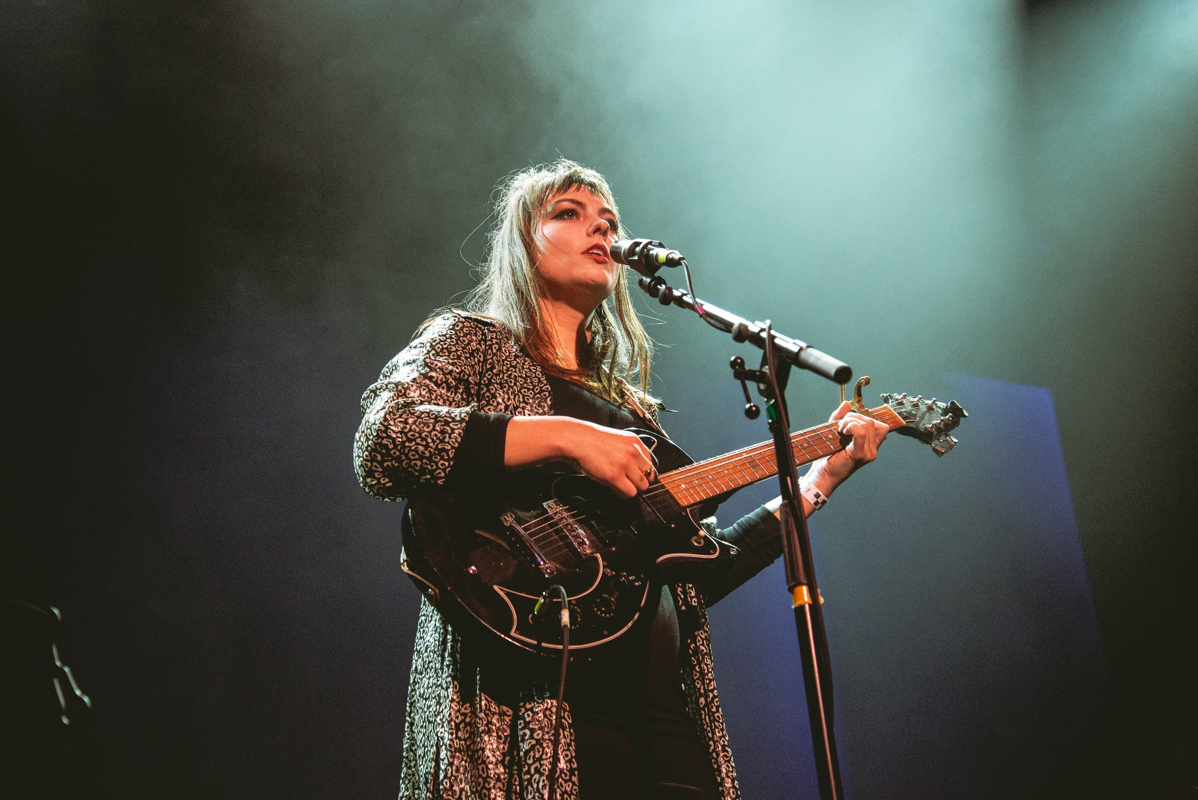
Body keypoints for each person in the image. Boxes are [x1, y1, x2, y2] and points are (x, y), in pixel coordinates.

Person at [353, 159, 889, 800]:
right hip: (540, 711)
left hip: (663, 724)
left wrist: (822, 477)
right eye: (569, 214)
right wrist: (569, 437)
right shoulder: (472, 344)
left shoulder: (634, 418)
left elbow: (692, 573)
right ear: (524, 242)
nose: (600, 230)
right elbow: (387, 439)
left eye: (608, 221)